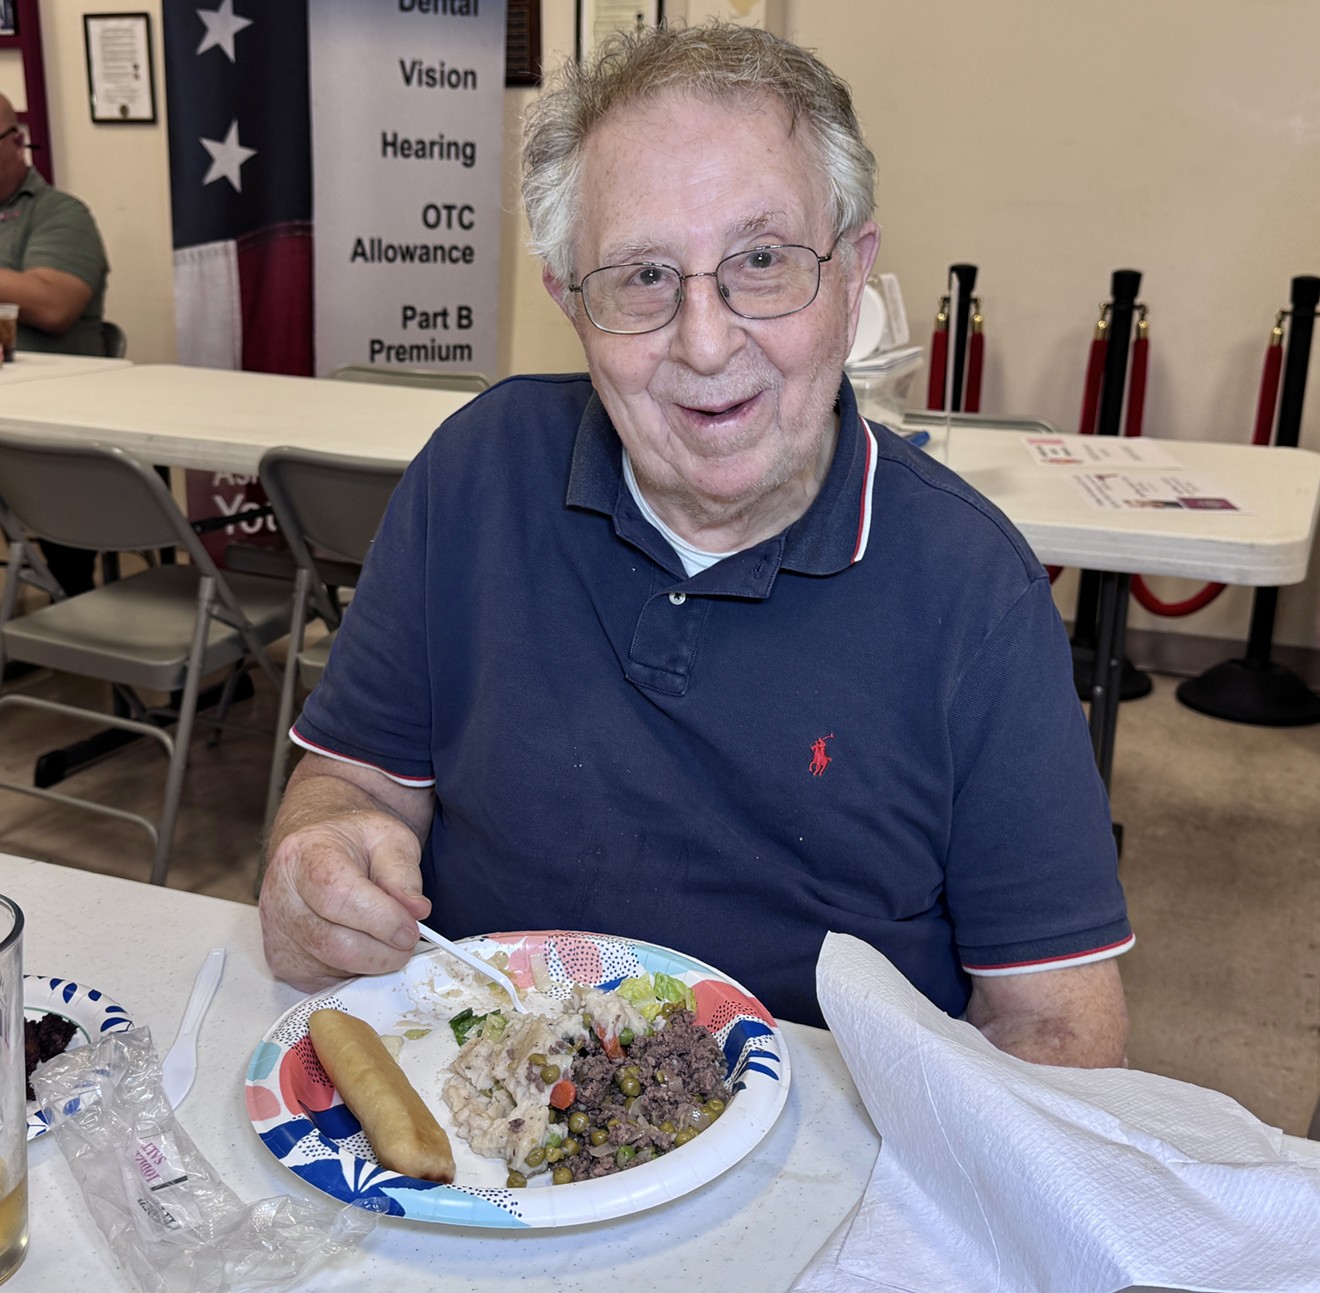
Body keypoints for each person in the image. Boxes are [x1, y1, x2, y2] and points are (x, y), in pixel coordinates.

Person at [259, 23, 1132, 1066]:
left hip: (832, 1156)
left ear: (854, 276)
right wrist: (316, 848)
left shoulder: (972, 585)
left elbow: (1058, 1028)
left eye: (761, 261)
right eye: (641, 278)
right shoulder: (475, 470)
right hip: (482, 1109)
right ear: (569, 304)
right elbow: (353, 784)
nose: (706, 342)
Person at [0, 93, 112, 596]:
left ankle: (69, 594)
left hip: (59, 418)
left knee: (55, 479)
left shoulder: (59, 213)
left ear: (16, 142)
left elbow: (53, 306)